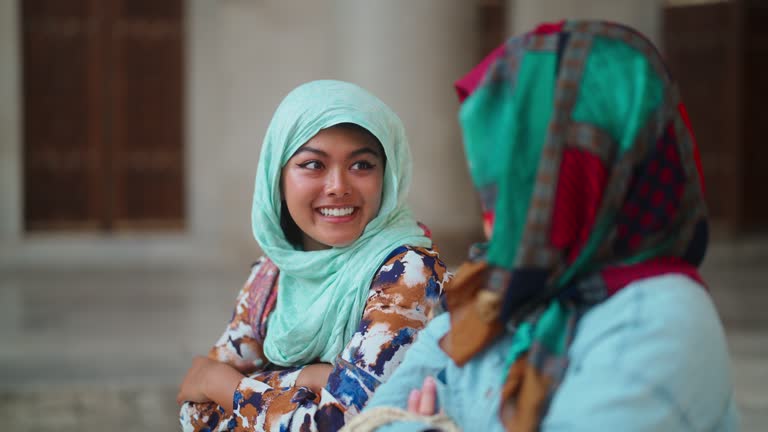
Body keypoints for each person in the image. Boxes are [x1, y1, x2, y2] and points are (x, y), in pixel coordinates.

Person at [350, 20, 740, 431]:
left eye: (515, 178)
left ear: (585, 175)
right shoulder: (495, 295)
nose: (492, 202)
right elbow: (369, 422)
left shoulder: (660, 323)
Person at [177, 80, 449, 431]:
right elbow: (194, 412)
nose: (337, 186)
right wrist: (309, 378)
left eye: (362, 165)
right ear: (278, 177)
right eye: (312, 165)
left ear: (388, 175)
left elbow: (342, 424)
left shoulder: (409, 272)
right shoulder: (272, 275)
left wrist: (221, 385)